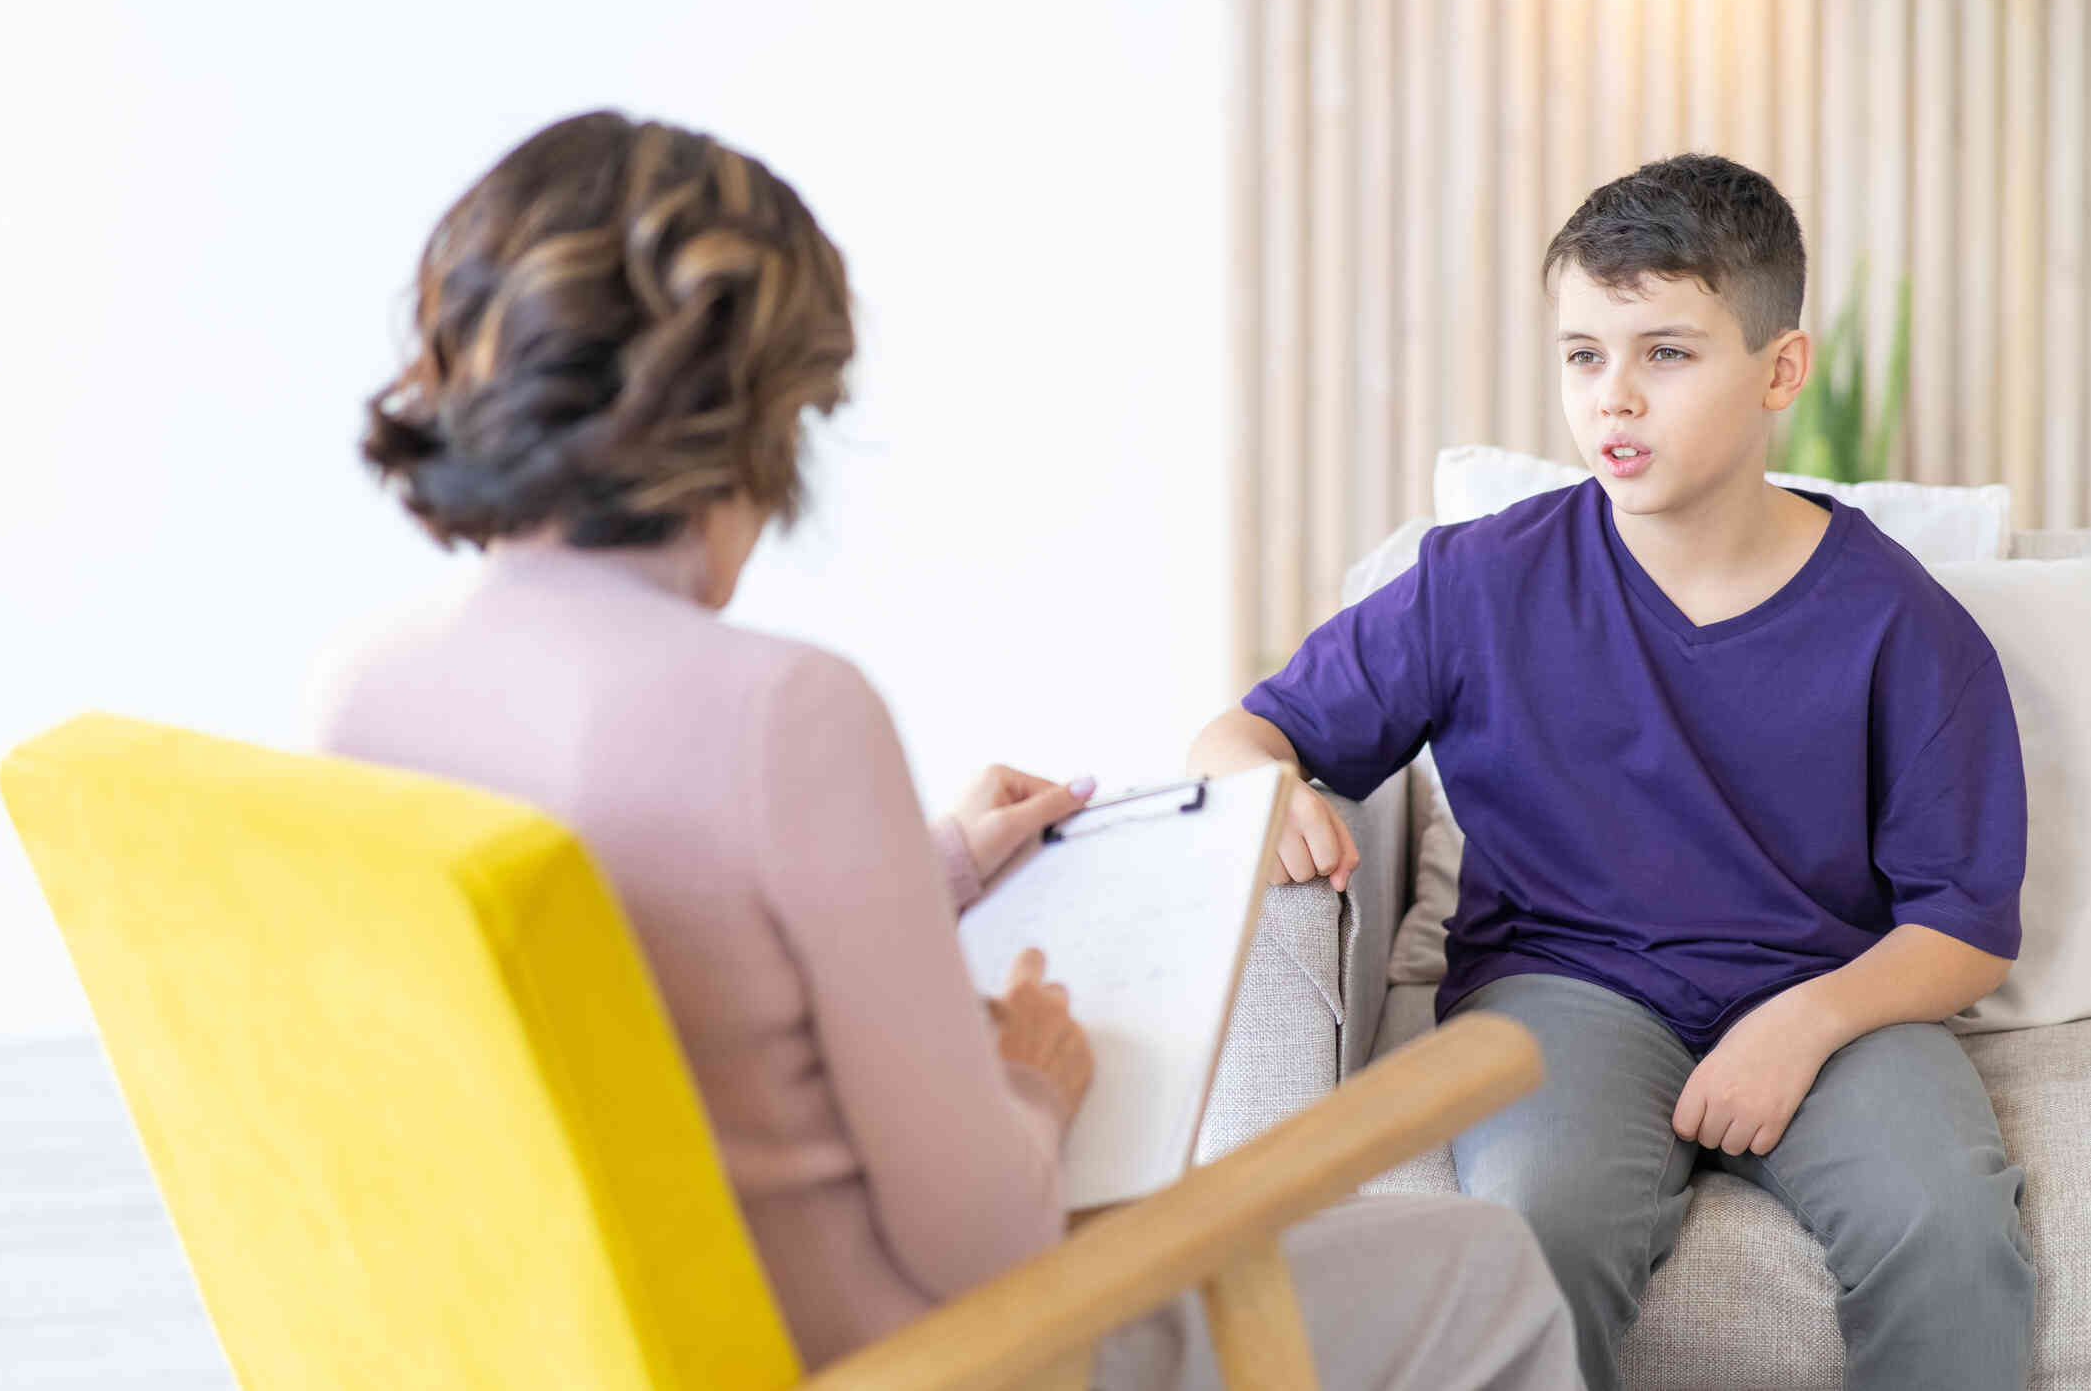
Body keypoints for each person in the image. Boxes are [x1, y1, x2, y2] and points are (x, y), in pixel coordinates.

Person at [309, 110, 1581, 1390]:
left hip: (562, 1343)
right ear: (757, 417)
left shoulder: (371, 696)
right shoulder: (783, 716)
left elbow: (641, 948)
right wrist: (1032, 1079)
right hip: (920, 1353)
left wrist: (923, 867)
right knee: (1482, 1262)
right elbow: (983, 1235)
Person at [1188, 153, 2035, 1390]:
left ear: (1779, 371)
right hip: (1562, 987)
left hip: (1830, 998)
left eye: (1666, 353)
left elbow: (1965, 924)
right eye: (1584, 355)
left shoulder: (1903, 623)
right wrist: (1267, 787)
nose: (1613, 400)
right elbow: (1246, 733)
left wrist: (1803, 1025)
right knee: (1536, 1224)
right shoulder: (1479, 580)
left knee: (1952, 1233)